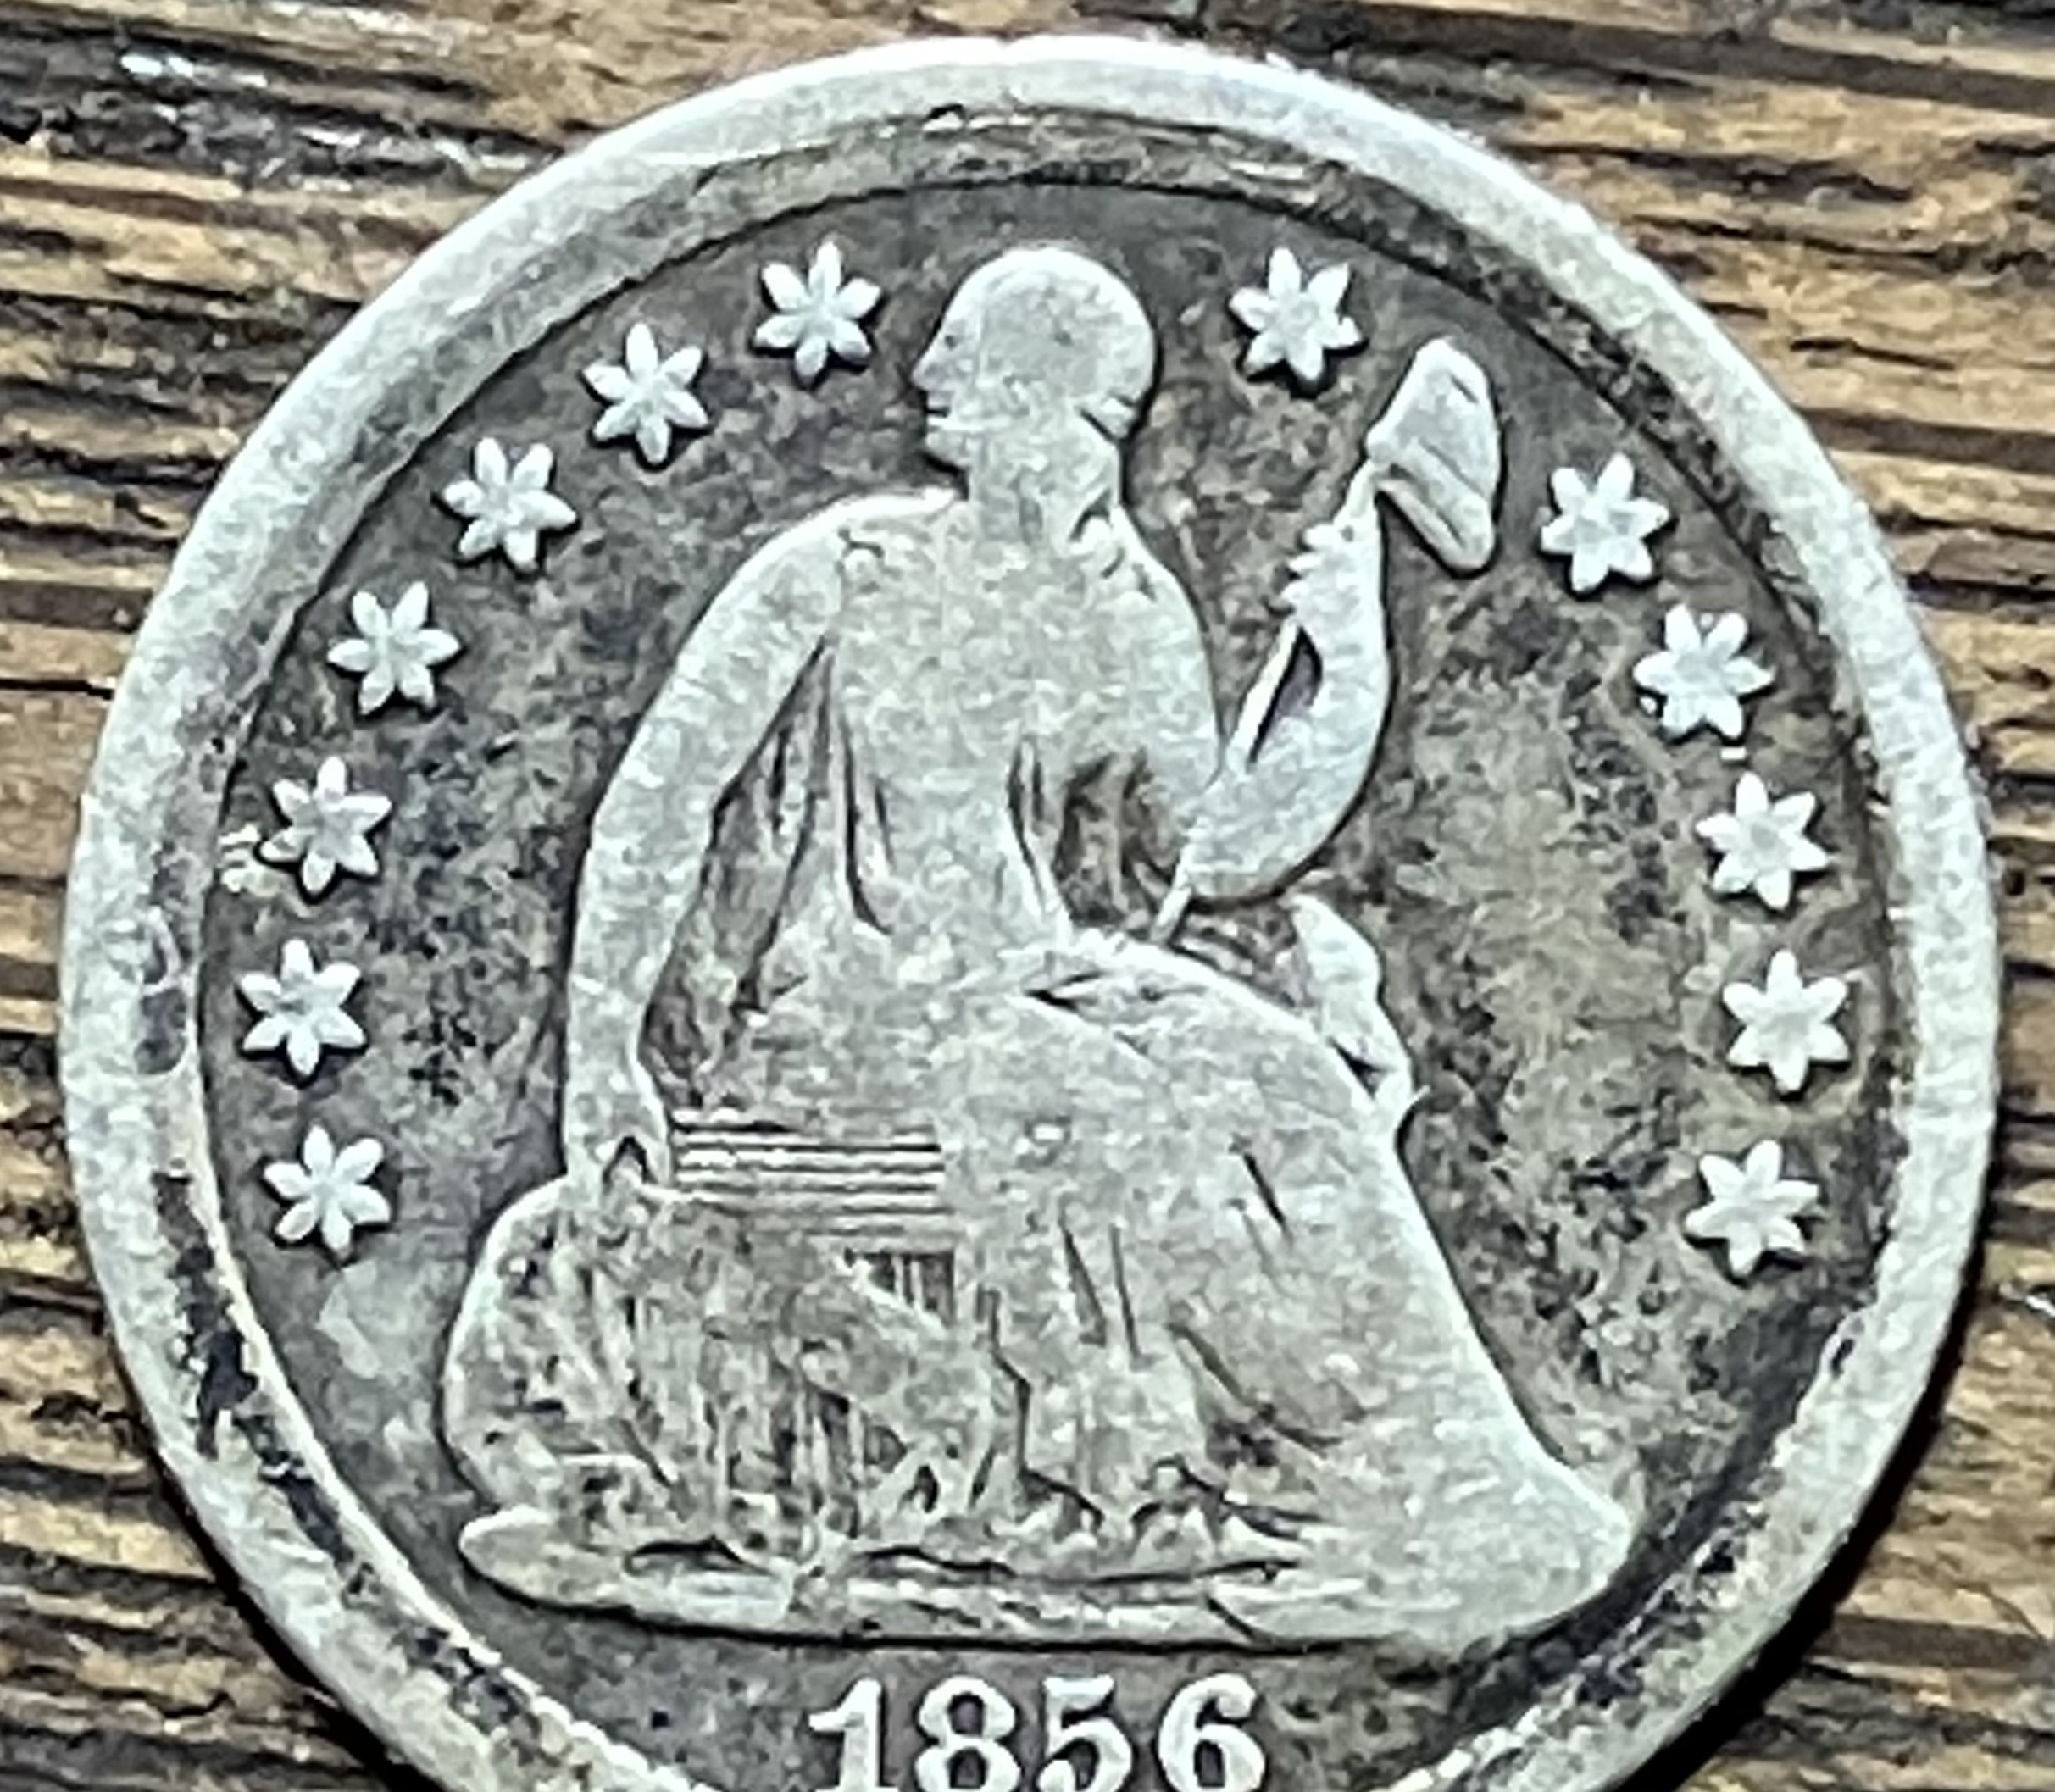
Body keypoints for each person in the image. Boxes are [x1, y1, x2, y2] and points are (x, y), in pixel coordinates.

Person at [447, 245, 1635, 1651]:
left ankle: (1421, 1474)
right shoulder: (839, 569)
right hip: (830, 1020)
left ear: (1055, 396)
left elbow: (1214, 857)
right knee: (1100, 1106)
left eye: (962, 351)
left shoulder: (1129, 606)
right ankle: (1142, 1482)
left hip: (1035, 983)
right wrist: (603, 1051)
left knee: (1285, 1076)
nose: (924, 374)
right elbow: (662, 798)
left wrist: (1349, 661)